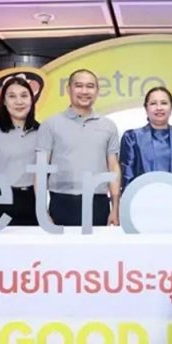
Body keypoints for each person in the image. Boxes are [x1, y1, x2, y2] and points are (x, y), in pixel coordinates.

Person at [36, 69, 121, 226]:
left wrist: (115, 208)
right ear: (69, 89)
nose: (84, 91)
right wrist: (42, 211)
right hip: (61, 202)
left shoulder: (109, 126)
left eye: (90, 86)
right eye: (79, 86)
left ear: (97, 91)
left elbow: (113, 167)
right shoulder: (50, 124)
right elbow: (40, 169)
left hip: (98, 203)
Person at [0, 75, 40, 226]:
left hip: (33, 201)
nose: (19, 101)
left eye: (24, 96)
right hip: (0, 201)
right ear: (4, 101)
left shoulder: (42, 131)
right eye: (12, 96)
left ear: (31, 100)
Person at [119, 86, 172, 190]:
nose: (159, 108)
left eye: (164, 103)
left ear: (171, 107)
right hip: (141, 199)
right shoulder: (132, 138)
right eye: (153, 103)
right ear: (146, 108)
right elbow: (127, 178)